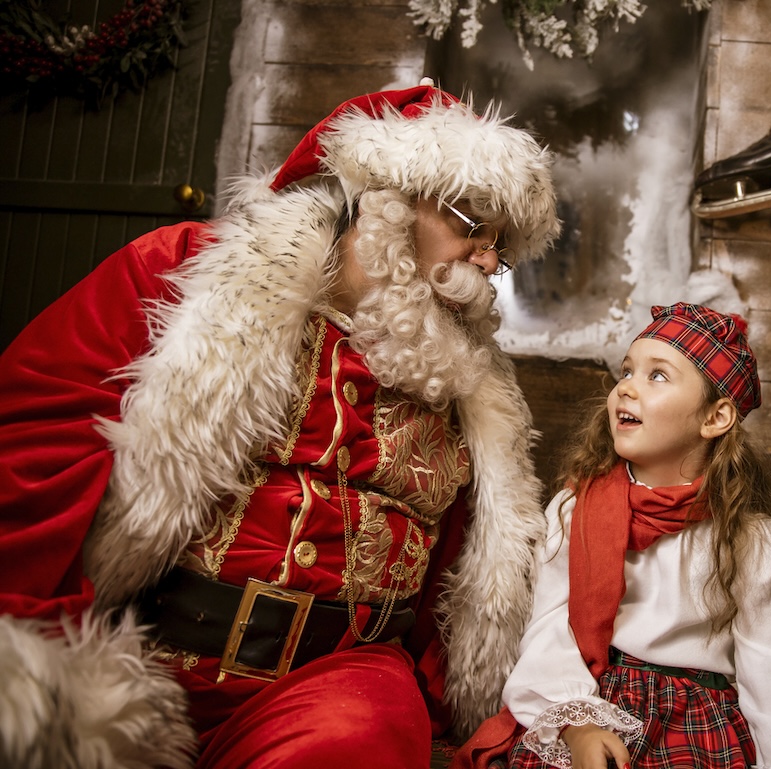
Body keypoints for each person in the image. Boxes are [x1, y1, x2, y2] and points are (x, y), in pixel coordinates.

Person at [0, 80, 559, 769]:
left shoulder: (475, 392)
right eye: (472, 227)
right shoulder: (188, 273)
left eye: (498, 247)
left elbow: (469, 578)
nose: (485, 261)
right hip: (139, 650)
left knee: (360, 737)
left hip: (333, 682)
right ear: (385, 199)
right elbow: (34, 430)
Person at [453, 303, 771, 769]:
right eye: (626, 371)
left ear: (715, 418)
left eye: (658, 376)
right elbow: (552, 629)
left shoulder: (751, 538)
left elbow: (768, 666)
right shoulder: (574, 511)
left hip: (698, 719)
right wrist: (578, 725)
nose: (626, 386)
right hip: (596, 696)